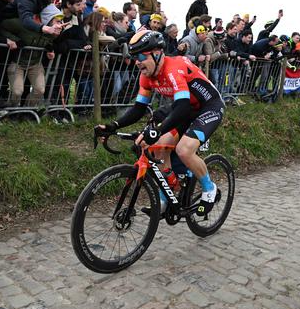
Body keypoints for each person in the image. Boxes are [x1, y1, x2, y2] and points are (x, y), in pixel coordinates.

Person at [95, 30, 225, 215]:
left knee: (183, 150)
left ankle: (209, 188)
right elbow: (139, 108)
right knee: (157, 148)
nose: (137, 62)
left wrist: (156, 130)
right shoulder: (146, 77)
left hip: (209, 107)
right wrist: (112, 126)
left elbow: (181, 107)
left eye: (141, 56)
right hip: (187, 109)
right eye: (134, 57)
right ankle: (168, 194)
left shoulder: (174, 67)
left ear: (157, 54)